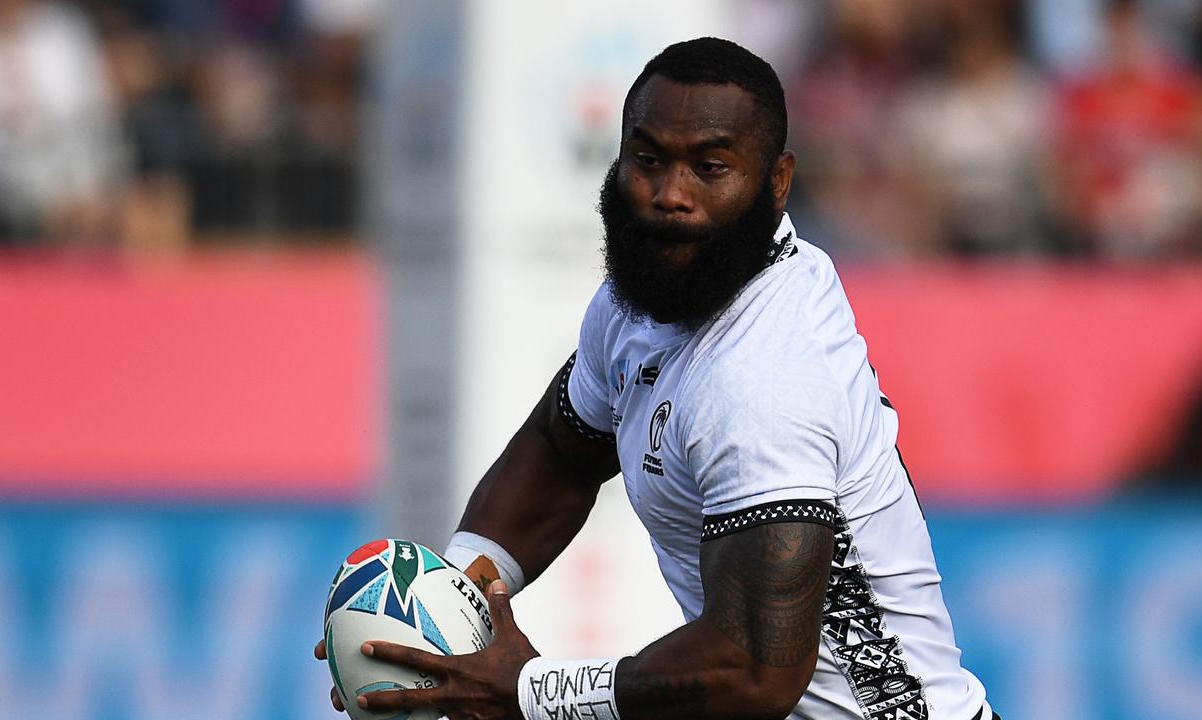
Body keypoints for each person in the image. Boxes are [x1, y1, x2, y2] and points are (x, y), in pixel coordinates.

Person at [317, 37, 997, 720]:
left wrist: (528, 691)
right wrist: (441, 608)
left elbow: (756, 671)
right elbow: (562, 452)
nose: (671, 195)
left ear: (778, 180)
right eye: (648, 160)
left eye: (710, 167)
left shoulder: (767, 378)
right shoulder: (638, 299)